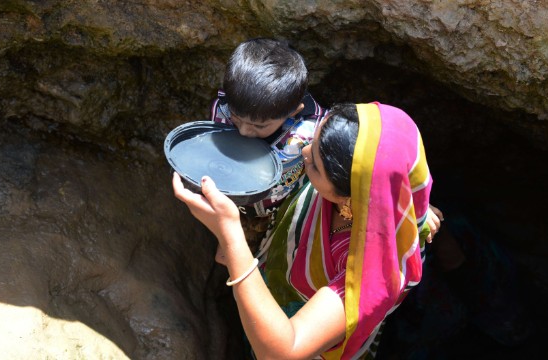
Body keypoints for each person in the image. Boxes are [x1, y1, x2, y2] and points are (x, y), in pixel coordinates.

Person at [173, 101, 434, 359]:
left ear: (350, 199)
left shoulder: (373, 274)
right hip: (272, 285)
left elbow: (283, 351)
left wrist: (230, 235)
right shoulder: (385, 194)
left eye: (316, 167)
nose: (305, 152)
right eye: (315, 139)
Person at [209, 38, 327, 220]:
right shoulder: (224, 107)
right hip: (231, 201)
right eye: (237, 118)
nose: (244, 131)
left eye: (259, 125)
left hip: (281, 206)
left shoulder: (312, 130)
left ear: (293, 111)